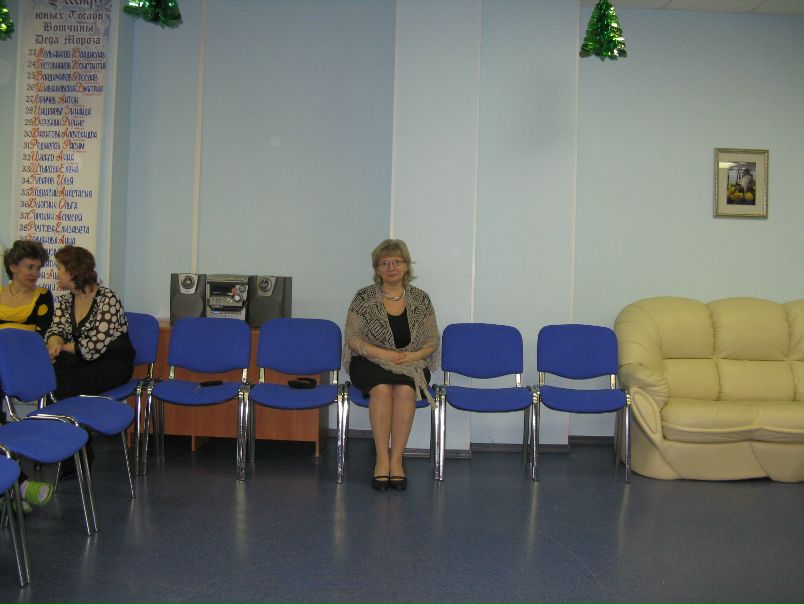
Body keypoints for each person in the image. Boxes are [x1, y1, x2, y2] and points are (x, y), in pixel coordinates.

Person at [343, 239, 439, 492]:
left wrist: (412, 356)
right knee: (382, 389)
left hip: (411, 364)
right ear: (377, 269)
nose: (391, 267)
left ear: (406, 266)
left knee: (406, 391)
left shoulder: (421, 299)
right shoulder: (363, 297)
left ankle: (396, 461)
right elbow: (353, 339)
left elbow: (432, 341)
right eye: (384, 263)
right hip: (369, 361)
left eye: (397, 261)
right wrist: (385, 354)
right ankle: (381, 459)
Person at [0, 240, 56, 511]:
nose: (35, 273)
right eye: (29, 267)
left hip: (22, 367)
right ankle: (15, 488)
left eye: (38, 268)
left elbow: (40, 337)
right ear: (13, 267)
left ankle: (13, 489)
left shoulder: (43, 297)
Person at [45, 245, 135, 399]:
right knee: (50, 373)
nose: (56, 274)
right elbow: (56, 330)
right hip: (79, 360)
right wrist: (54, 346)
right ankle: (55, 413)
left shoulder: (108, 299)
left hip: (111, 361)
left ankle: (67, 413)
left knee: (64, 381)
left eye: (59, 268)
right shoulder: (65, 301)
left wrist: (62, 347)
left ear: (72, 271)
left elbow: (94, 346)